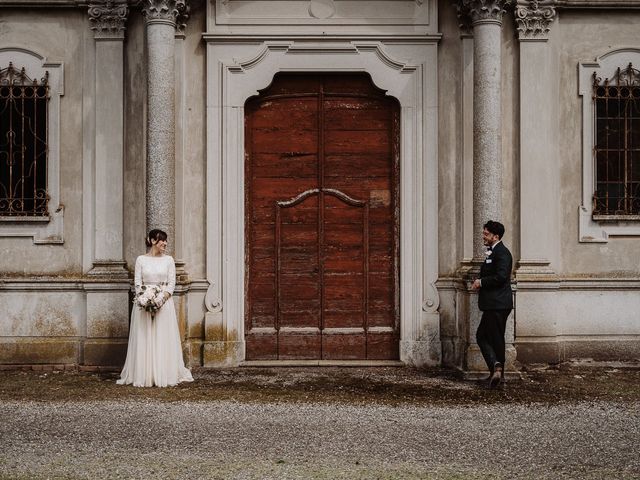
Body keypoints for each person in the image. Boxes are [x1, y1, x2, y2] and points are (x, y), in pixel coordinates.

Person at [117, 229, 194, 387]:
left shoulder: (169, 260)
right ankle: (145, 374)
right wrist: (145, 299)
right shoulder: (141, 260)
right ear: (152, 241)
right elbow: (138, 283)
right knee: (145, 337)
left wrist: (160, 299)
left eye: (166, 241)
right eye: (162, 240)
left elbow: (171, 283)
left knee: (162, 337)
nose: (165, 243)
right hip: (144, 304)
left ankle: (163, 373)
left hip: (164, 305)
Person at [471, 220, 513, 389]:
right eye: (484, 233)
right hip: (495, 303)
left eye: (486, 234)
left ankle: (496, 368)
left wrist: (481, 282)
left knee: (483, 336)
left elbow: (501, 277)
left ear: (496, 236)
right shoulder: (493, 252)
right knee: (495, 338)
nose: (483, 235)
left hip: (497, 304)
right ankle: (497, 375)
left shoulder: (502, 253)